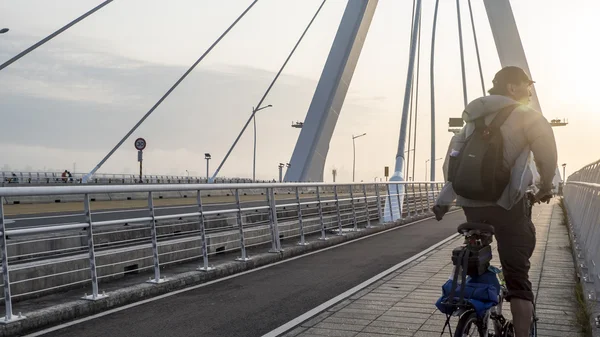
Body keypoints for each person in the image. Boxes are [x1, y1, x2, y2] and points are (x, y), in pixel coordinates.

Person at [433, 66, 557, 336]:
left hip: (471, 204)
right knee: (517, 278)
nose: (529, 90)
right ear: (512, 87)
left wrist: (445, 201)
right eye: (526, 85)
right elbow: (546, 155)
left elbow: (452, 163)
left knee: (478, 255)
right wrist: (546, 187)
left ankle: (477, 313)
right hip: (508, 206)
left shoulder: (473, 119)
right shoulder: (528, 116)